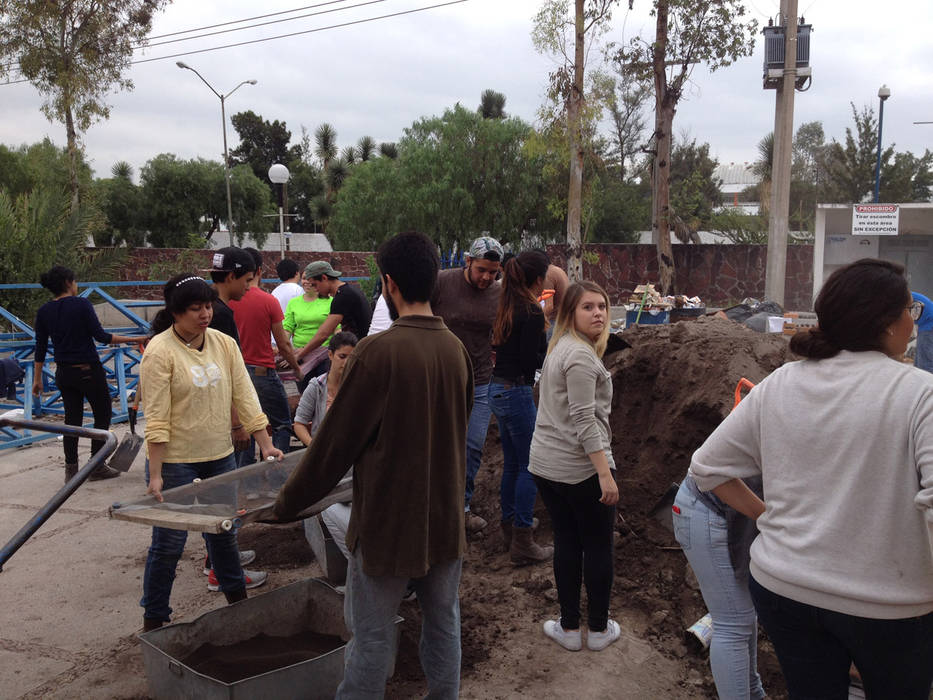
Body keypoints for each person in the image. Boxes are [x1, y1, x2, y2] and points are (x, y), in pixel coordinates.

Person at [690, 258, 933, 699]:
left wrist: (767, 520)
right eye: (908, 311)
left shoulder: (783, 382)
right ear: (886, 322)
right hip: (889, 606)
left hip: (786, 591)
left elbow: (706, 468)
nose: (911, 323)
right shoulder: (919, 394)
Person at [274, 232, 473, 698]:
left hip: (387, 528)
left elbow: (331, 450)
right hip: (444, 524)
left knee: (371, 637)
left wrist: (285, 506)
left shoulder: (376, 353)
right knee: (444, 626)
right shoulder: (456, 352)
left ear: (388, 284)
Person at [139, 274, 284, 631]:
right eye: (195, 308)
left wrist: (265, 442)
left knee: (223, 532)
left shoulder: (223, 343)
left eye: (208, 306)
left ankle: (238, 604)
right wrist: (155, 473)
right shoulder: (159, 351)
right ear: (175, 312)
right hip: (175, 462)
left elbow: (245, 395)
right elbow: (156, 417)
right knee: (169, 543)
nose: (205, 314)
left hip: (220, 456)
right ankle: (155, 619)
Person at [529, 281, 621, 652]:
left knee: (567, 541)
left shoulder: (560, 348)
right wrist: (604, 473)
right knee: (597, 546)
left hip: (547, 465)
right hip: (578, 468)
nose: (598, 312)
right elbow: (585, 420)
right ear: (570, 313)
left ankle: (568, 628)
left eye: (602, 306)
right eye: (588, 307)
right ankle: (598, 630)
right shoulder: (581, 356)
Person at [32, 265, 137, 482]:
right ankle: (96, 466)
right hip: (88, 370)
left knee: (72, 421)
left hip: (64, 373)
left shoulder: (44, 311)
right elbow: (101, 337)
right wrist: (136, 339)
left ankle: (71, 470)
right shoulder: (81, 304)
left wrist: (36, 379)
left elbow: (40, 347)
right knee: (103, 414)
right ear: (69, 283)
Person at [432, 235, 503, 533]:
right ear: (468, 261)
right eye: (481, 270)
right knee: (437, 446)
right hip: (440, 379)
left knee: (472, 446)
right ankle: (433, 508)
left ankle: (461, 508)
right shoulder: (440, 283)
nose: (487, 277)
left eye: (493, 272)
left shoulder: (499, 294)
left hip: (481, 380)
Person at [673, 467, 765, 695]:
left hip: (736, 514)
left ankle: (754, 693)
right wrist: (768, 519)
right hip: (707, 509)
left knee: (744, 614)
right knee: (733, 623)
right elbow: (707, 467)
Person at [489, 251, 552, 565]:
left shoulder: (507, 305)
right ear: (538, 280)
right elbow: (531, 362)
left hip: (497, 389)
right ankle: (524, 539)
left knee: (513, 462)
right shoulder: (531, 311)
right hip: (516, 391)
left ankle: (511, 526)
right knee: (531, 464)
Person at [227, 248, 302, 463]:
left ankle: (245, 482)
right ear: (259, 270)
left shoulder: (225, 303)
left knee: (245, 427)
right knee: (281, 423)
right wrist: (296, 368)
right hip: (262, 372)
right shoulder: (268, 301)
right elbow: (283, 343)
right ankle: (276, 476)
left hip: (237, 374)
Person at [292, 331, 359, 561]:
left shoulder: (361, 386)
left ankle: (360, 570)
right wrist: (314, 447)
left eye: (352, 357)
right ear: (330, 355)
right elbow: (299, 423)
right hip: (326, 465)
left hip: (354, 464)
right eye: (342, 356)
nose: (347, 362)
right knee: (331, 508)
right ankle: (357, 569)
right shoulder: (317, 386)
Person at [296, 261, 372, 363]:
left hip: (360, 353)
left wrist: (300, 354)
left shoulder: (342, 296)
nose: (315, 289)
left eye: (315, 285)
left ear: (324, 278)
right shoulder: (349, 290)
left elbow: (324, 333)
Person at [284, 264, 335, 387]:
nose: (306, 282)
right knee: (304, 394)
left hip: (323, 355)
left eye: (309, 278)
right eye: (303, 278)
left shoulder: (330, 301)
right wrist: (283, 348)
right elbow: (287, 328)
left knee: (323, 393)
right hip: (300, 357)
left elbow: (337, 330)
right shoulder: (293, 303)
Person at [911, 291, 933, 372]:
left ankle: (929, 383)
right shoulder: (908, 295)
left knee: (925, 364)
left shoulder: (901, 296)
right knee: (918, 363)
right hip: (926, 324)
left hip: (929, 325)